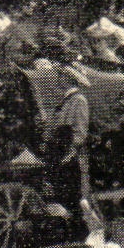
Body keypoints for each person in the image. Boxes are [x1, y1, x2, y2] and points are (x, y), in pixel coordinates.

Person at [45, 64, 91, 213]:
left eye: (62, 76)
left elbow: (80, 133)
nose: (59, 78)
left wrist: (69, 152)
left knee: (70, 196)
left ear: (69, 79)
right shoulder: (67, 99)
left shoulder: (78, 100)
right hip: (59, 152)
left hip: (68, 155)